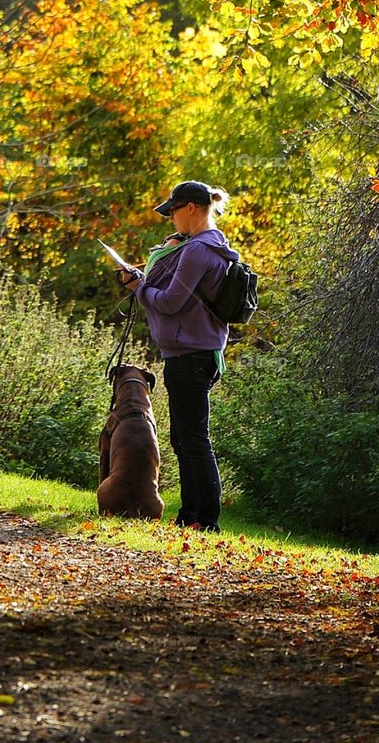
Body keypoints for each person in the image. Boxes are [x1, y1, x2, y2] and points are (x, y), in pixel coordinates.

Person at [117, 180, 239, 532]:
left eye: (173, 211)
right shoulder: (212, 247)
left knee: (194, 439)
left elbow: (170, 302)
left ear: (190, 208)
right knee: (185, 437)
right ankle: (192, 515)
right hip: (200, 351)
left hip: (190, 354)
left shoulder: (198, 250)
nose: (170, 218)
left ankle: (204, 520)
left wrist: (139, 286)